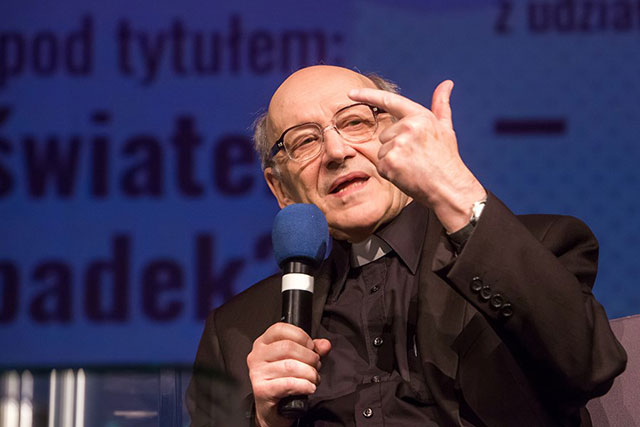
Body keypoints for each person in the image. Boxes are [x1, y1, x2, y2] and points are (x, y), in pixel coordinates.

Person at [187, 65, 627, 426]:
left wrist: (454, 190)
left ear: (398, 138)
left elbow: (589, 364)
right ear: (281, 188)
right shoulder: (238, 332)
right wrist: (266, 421)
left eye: (355, 122)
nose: (337, 151)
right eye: (305, 141)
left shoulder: (535, 248)